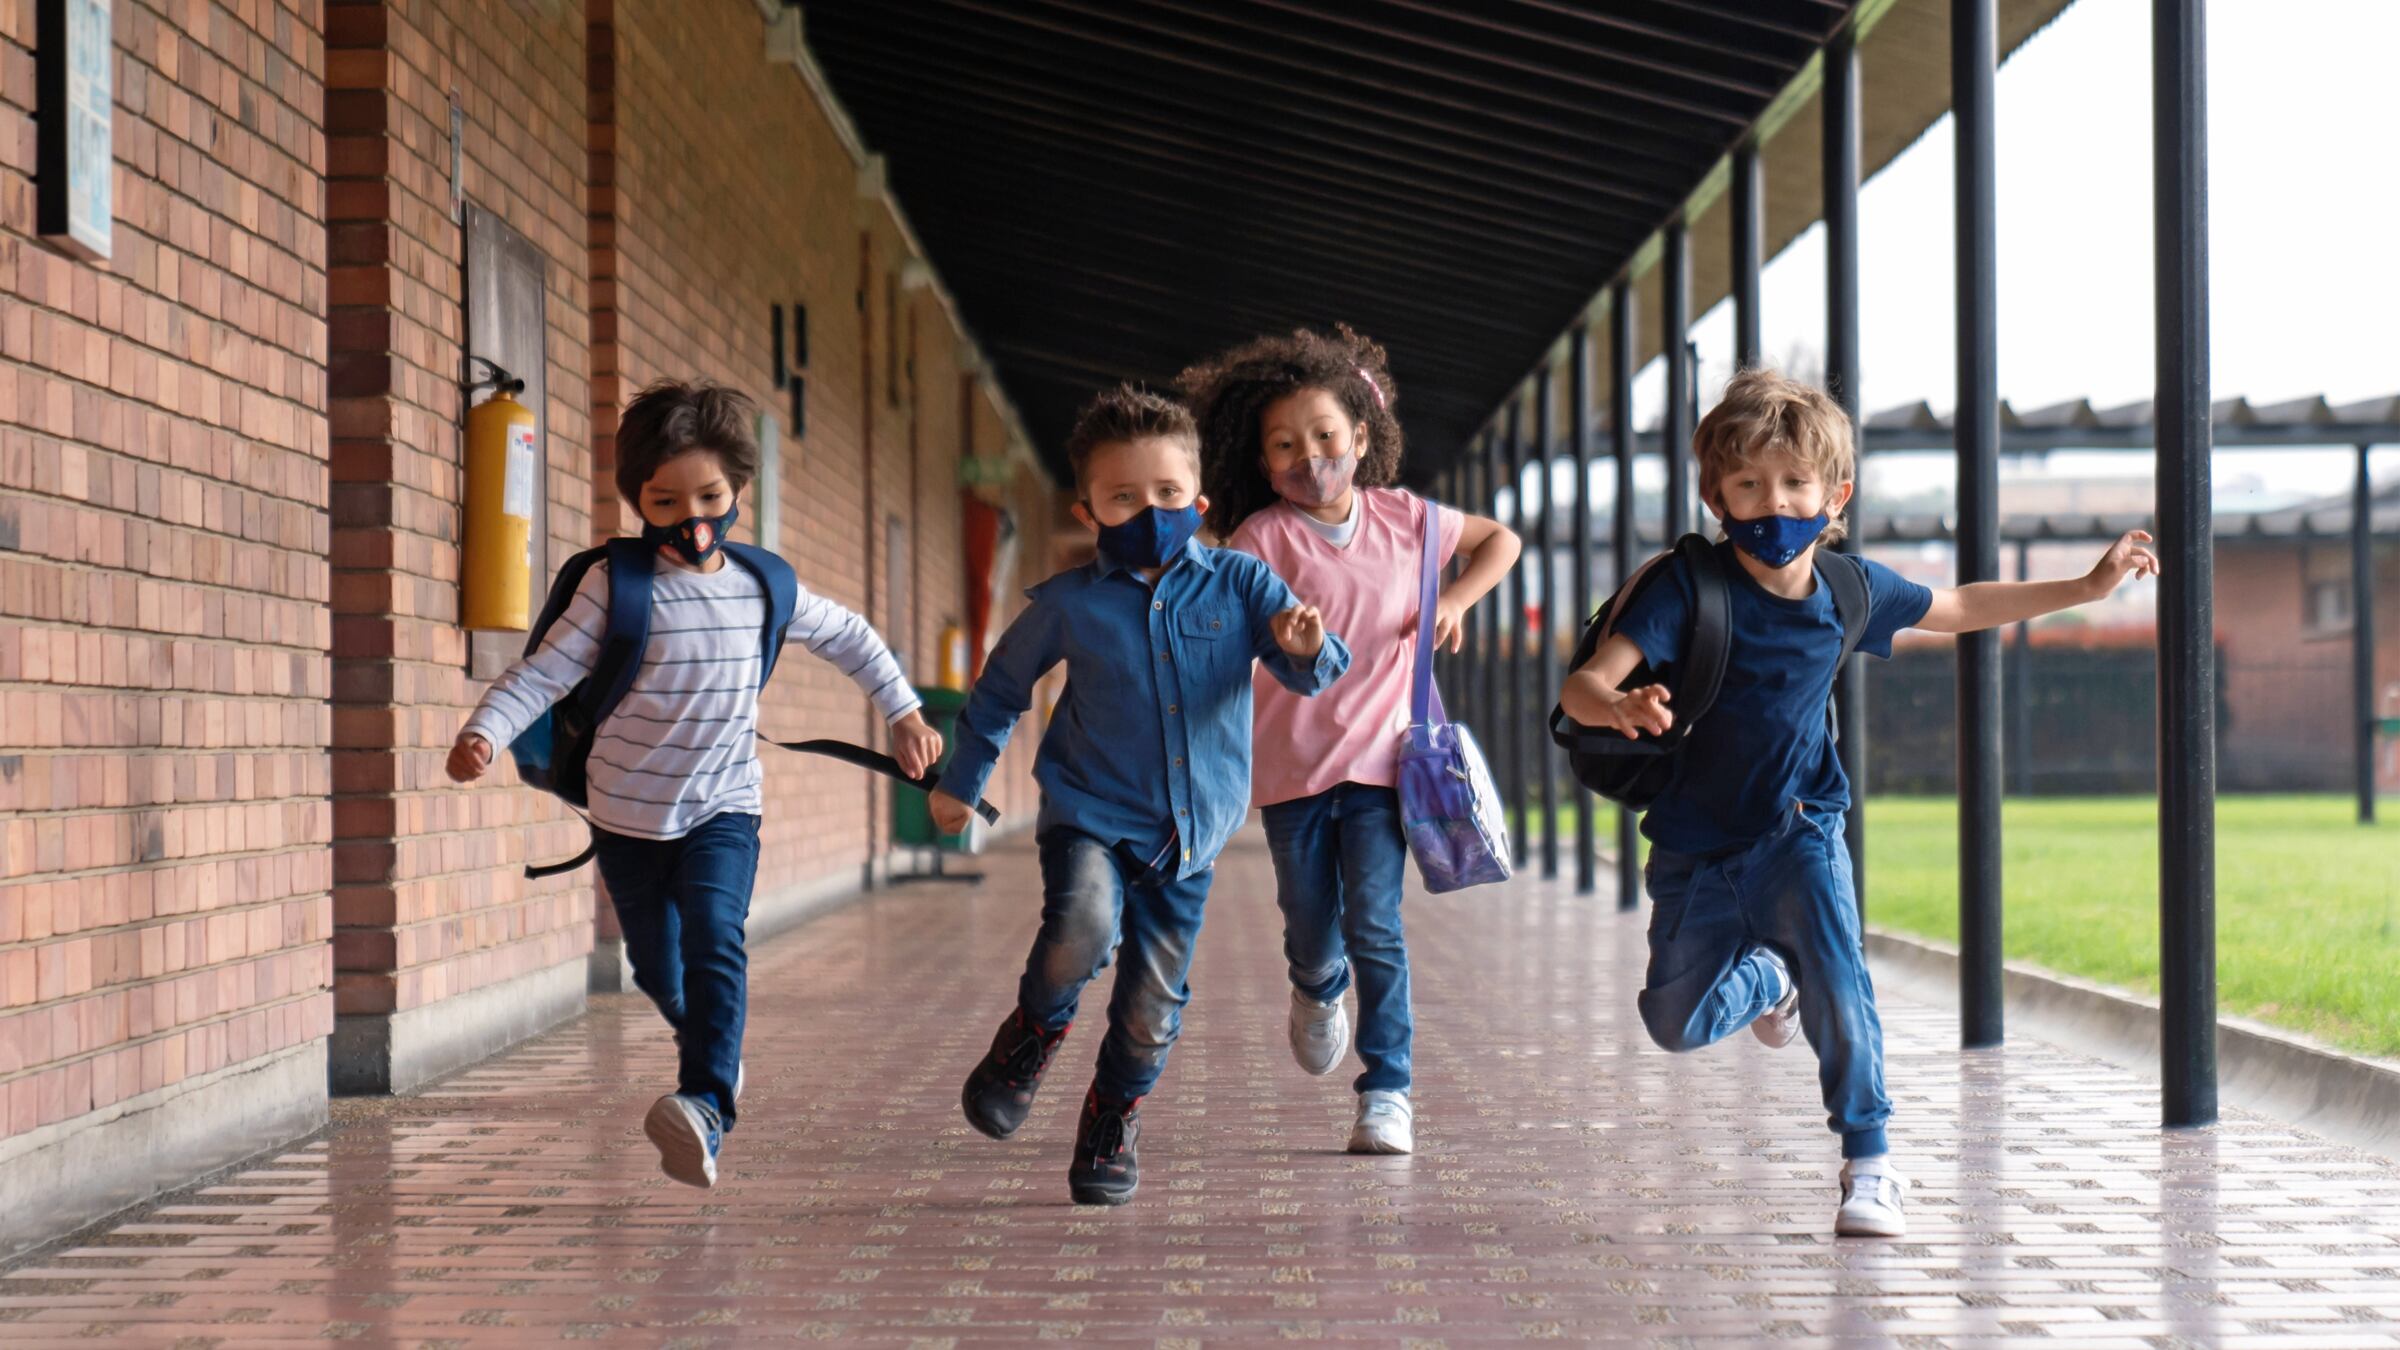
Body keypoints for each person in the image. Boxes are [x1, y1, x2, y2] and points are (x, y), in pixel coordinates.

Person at [1558, 367, 2159, 1238]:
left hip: (1801, 829)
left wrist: (2083, 588)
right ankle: (1768, 977)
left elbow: (1958, 605)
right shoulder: (1687, 588)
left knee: (1841, 976)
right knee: (1674, 1022)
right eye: (1749, 484)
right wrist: (1616, 705)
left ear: (1834, 494)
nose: (1774, 502)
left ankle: (1870, 1162)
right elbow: (1581, 685)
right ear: (1715, 495)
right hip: (1694, 848)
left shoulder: (1848, 591)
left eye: (1796, 483)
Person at [446, 380, 943, 1189]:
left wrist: (905, 712)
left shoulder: (762, 587)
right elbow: (541, 677)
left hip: (723, 807)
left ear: (738, 490)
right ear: (640, 499)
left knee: (716, 934)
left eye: (710, 494)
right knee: (654, 966)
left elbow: (848, 636)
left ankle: (707, 1103)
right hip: (626, 817)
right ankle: (719, 1052)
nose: (692, 514)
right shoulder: (617, 587)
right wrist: (483, 733)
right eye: (666, 498)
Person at [927, 383, 1351, 1206]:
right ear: (1088, 509)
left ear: (1197, 500)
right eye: (1123, 496)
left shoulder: (1242, 586)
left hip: (1189, 838)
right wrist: (961, 784)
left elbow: (1313, 671)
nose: (1147, 510)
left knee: (1152, 1006)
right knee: (1081, 927)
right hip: (1090, 812)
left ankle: (1112, 1116)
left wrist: (1309, 648)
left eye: (1164, 494)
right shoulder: (1069, 605)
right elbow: (1000, 691)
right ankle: (1032, 1033)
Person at [1177, 324, 1522, 1155]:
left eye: (1326, 437)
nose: (1310, 456)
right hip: (1292, 767)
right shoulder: (1261, 539)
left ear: (1361, 439)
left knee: (1376, 921)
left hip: (1381, 762)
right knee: (1308, 919)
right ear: (1263, 465)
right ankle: (1314, 985)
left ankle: (1388, 1090)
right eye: (1286, 445)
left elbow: (1499, 541)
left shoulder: (1409, 519)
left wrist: (1458, 600)